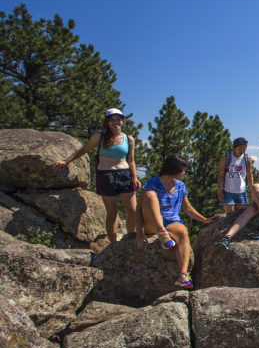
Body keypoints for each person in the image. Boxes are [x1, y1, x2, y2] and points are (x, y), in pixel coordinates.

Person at [135, 154, 221, 289]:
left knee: (183, 232)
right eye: (183, 169)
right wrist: (139, 233)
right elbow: (139, 210)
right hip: (151, 222)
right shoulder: (153, 183)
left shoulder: (180, 186)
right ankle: (161, 232)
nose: (184, 172)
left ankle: (183, 275)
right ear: (174, 169)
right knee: (150, 195)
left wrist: (205, 220)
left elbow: (187, 209)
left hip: (170, 223)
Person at [54, 108, 139, 242]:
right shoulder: (99, 136)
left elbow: (131, 160)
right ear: (107, 122)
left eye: (118, 119)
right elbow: (84, 149)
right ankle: (114, 244)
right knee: (112, 213)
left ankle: (131, 239)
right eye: (112, 119)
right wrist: (66, 161)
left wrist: (134, 177)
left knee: (133, 211)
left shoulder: (129, 139)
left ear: (122, 121)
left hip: (124, 175)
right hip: (106, 175)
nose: (115, 122)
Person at [217, 137, 254, 212]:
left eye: (244, 148)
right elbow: (220, 175)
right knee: (230, 216)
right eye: (240, 148)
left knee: (240, 215)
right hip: (228, 191)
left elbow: (249, 175)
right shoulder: (226, 157)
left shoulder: (247, 158)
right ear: (235, 147)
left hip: (241, 191)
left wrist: (252, 190)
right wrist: (219, 191)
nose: (242, 150)